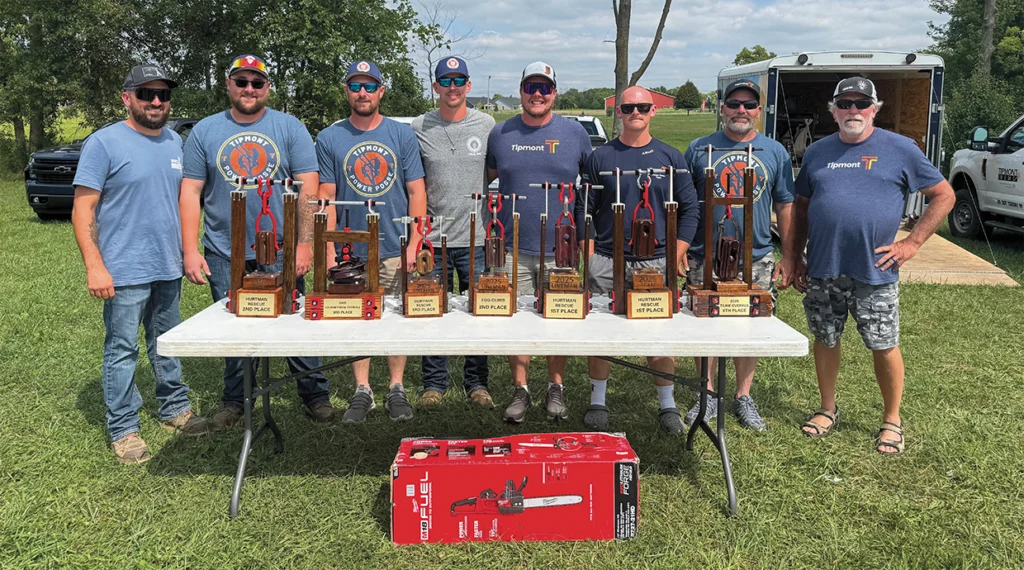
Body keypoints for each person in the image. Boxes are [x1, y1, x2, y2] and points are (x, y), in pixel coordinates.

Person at [791, 77, 955, 454]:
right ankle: (827, 409)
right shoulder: (817, 152)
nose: (853, 111)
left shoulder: (901, 149)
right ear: (833, 110)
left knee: (883, 344)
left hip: (875, 271)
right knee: (826, 338)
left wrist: (912, 243)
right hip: (822, 267)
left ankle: (892, 419)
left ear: (874, 109)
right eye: (844, 104)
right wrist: (794, 257)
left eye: (861, 104)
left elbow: (944, 195)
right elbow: (801, 207)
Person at [180, 54, 334, 427]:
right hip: (224, 249)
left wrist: (303, 243)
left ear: (267, 88)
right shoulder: (204, 130)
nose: (249, 89)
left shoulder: (289, 127)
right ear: (229, 85)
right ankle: (236, 399)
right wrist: (188, 249)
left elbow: (307, 187)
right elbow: (191, 190)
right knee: (235, 324)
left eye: (257, 83)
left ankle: (314, 394)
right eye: (242, 82)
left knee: (294, 322)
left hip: (281, 249)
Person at [72, 65, 210, 464]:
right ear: (126, 97)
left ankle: (174, 409)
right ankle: (124, 428)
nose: (155, 102)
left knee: (165, 342)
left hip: (168, 265)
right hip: (123, 268)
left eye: (163, 95)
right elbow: (83, 209)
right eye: (146, 93)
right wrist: (94, 266)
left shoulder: (174, 144)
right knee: (121, 349)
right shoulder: (104, 143)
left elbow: (186, 202)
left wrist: (188, 250)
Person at [579, 86, 700, 434]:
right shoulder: (600, 158)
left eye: (642, 107)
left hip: (657, 261)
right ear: (618, 112)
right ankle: (598, 400)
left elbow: (690, 209)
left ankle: (667, 404)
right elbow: (583, 209)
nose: (635, 112)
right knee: (601, 335)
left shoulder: (671, 157)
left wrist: (676, 253)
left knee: (658, 334)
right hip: (605, 259)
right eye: (628, 107)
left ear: (653, 111)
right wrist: (588, 255)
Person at [316, 60, 427, 423]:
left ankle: (396, 386)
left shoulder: (401, 134)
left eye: (369, 86)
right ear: (346, 91)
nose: (362, 93)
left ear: (381, 91)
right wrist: (330, 247)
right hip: (352, 248)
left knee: (396, 317)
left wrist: (415, 242)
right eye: (355, 86)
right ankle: (362, 389)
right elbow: (327, 195)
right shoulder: (330, 137)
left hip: (395, 244)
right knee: (356, 319)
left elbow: (416, 190)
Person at [682, 79, 796, 431]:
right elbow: (686, 203)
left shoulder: (774, 152)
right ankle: (709, 393)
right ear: (722, 108)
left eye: (749, 105)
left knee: (750, 328)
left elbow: (786, 204)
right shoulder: (699, 149)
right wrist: (681, 247)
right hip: (705, 254)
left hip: (756, 255)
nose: (741, 111)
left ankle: (743, 395)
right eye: (734, 103)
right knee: (705, 325)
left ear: (759, 111)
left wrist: (789, 255)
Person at [485, 61, 592, 423]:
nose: (537, 94)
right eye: (531, 87)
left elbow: (588, 191)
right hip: (511, 247)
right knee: (513, 320)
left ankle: (555, 386)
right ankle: (520, 388)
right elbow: (491, 179)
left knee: (557, 318)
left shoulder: (575, 133)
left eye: (544, 88)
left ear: (554, 93)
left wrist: (583, 239)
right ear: (521, 91)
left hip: (560, 246)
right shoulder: (501, 134)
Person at [411, 57, 496, 409]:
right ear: (435, 87)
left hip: (476, 239)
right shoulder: (419, 126)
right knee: (434, 312)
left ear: (468, 86)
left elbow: (491, 172)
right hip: (434, 239)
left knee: (480, 312)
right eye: (445, 81)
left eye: (459, 80)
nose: (452, 87)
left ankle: (477, 384)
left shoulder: (487, 124)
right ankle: (435, 384)